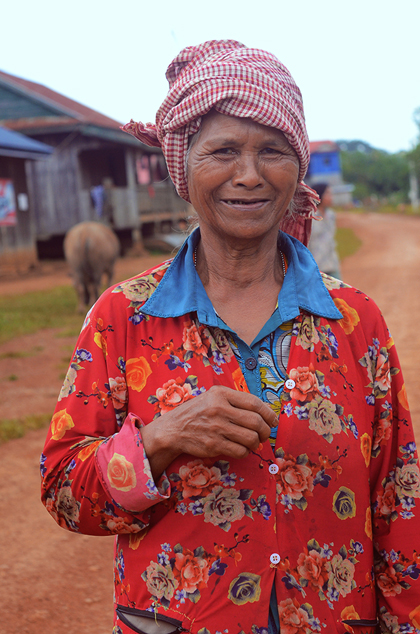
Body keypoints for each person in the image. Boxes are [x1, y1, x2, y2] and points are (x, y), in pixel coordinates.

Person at [41, 40, 420, 634]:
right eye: (222, 150)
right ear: (183, 168)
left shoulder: (354, 321)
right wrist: (162, 439)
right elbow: (66, 492)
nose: (248, 174)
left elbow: (399, 498)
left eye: (272, 151)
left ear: (297, 169)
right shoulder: (122, 319)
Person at [308, 182, 341, 279]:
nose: (331, 197)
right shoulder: (309, 217)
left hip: (332, 264)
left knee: (339, 293)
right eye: (328, 193)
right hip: (316, 268)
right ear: (319, 195)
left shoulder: (331, 215)